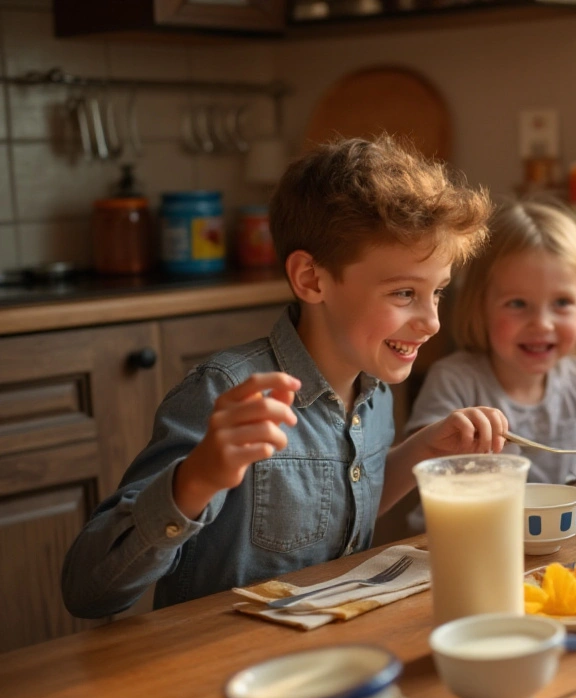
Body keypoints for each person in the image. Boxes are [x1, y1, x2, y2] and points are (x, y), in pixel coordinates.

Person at [62, 136, 509, 617]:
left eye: (437, 292)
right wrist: (197, 479)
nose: (432, 321)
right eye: (403, 293)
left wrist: (426, 449)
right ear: (311, 279)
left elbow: (339, 507)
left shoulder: (374, 389)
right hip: (217, 669)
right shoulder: (226, 392)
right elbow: (89, 591)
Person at [406, 199, 576, 492]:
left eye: (562, 303)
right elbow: (420, 473)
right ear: (480, 307)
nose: (542, 324)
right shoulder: (453, 381)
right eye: (517, 304)